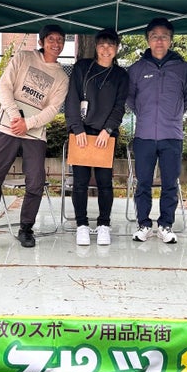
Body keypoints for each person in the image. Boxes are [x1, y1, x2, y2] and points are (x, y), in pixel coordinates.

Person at [0, 24, 69, 253]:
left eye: (60, 40)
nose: (56, 44)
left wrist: (28, 124)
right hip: (6, 128)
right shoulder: (24, 57)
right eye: (51, 39)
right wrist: (16, 117)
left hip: (35, 134)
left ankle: (26, 228)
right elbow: (4, 86)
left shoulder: (62, 77)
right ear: (41, 41)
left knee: (35, 182)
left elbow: (53, 109)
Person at [127, 17, 187, 244]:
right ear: (148, 40)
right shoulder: (136, 69)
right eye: (154, 36)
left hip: (172, 135)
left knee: (170, 184)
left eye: (164, 36)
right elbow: (130, 98)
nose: (159, 41)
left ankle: (165, 225)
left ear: (171, 40)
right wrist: (145, 114)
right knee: (143, 183)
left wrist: (173, 114)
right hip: (144, 136)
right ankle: (143, 224)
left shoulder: (183, 69)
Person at [65, 28, 129, 246]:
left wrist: (108, 130)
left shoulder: (121, 75)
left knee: (105, 183)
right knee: (80, 183)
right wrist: (77, 128)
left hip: (105, 136)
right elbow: (72, 99)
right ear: (96, 47)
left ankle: (104, 225)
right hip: (81, 133)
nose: (106, 49)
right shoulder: (82, 68)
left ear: (117, 48)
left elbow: (120, 107)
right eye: (102, 44)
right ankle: (81, 225)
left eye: (111, 45)